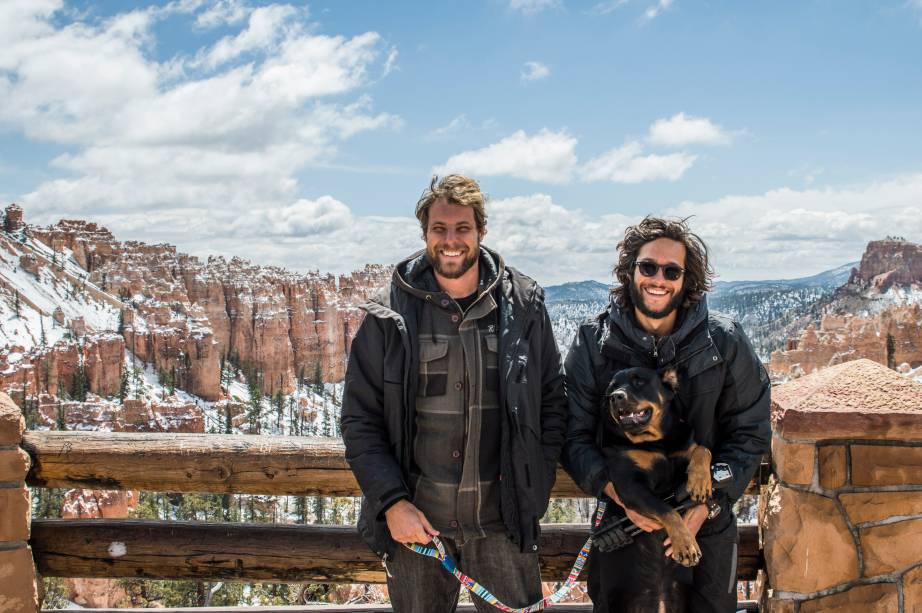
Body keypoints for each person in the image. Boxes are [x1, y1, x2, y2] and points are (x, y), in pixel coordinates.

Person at [341, 174, 567, 612]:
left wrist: (531, 488)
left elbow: (552, 400)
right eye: (439, 229)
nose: (450, 240)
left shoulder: (523, 304)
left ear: (481, 231)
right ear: (425, 233)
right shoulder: (389, 311)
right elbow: (360, 419)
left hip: (502, 524)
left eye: (462, 228)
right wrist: (392, 502)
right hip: (416, 526)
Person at [562, 216, 771, 612]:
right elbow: (573, 434)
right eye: (648, 267)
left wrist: (707, 504)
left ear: (686, 280)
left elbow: (750, 432)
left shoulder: (724, 342)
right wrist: (618, 494)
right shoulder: (594, 342)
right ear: (629, 271)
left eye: (671, 270)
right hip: (623, 529)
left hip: (706, 531)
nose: (658, 279)